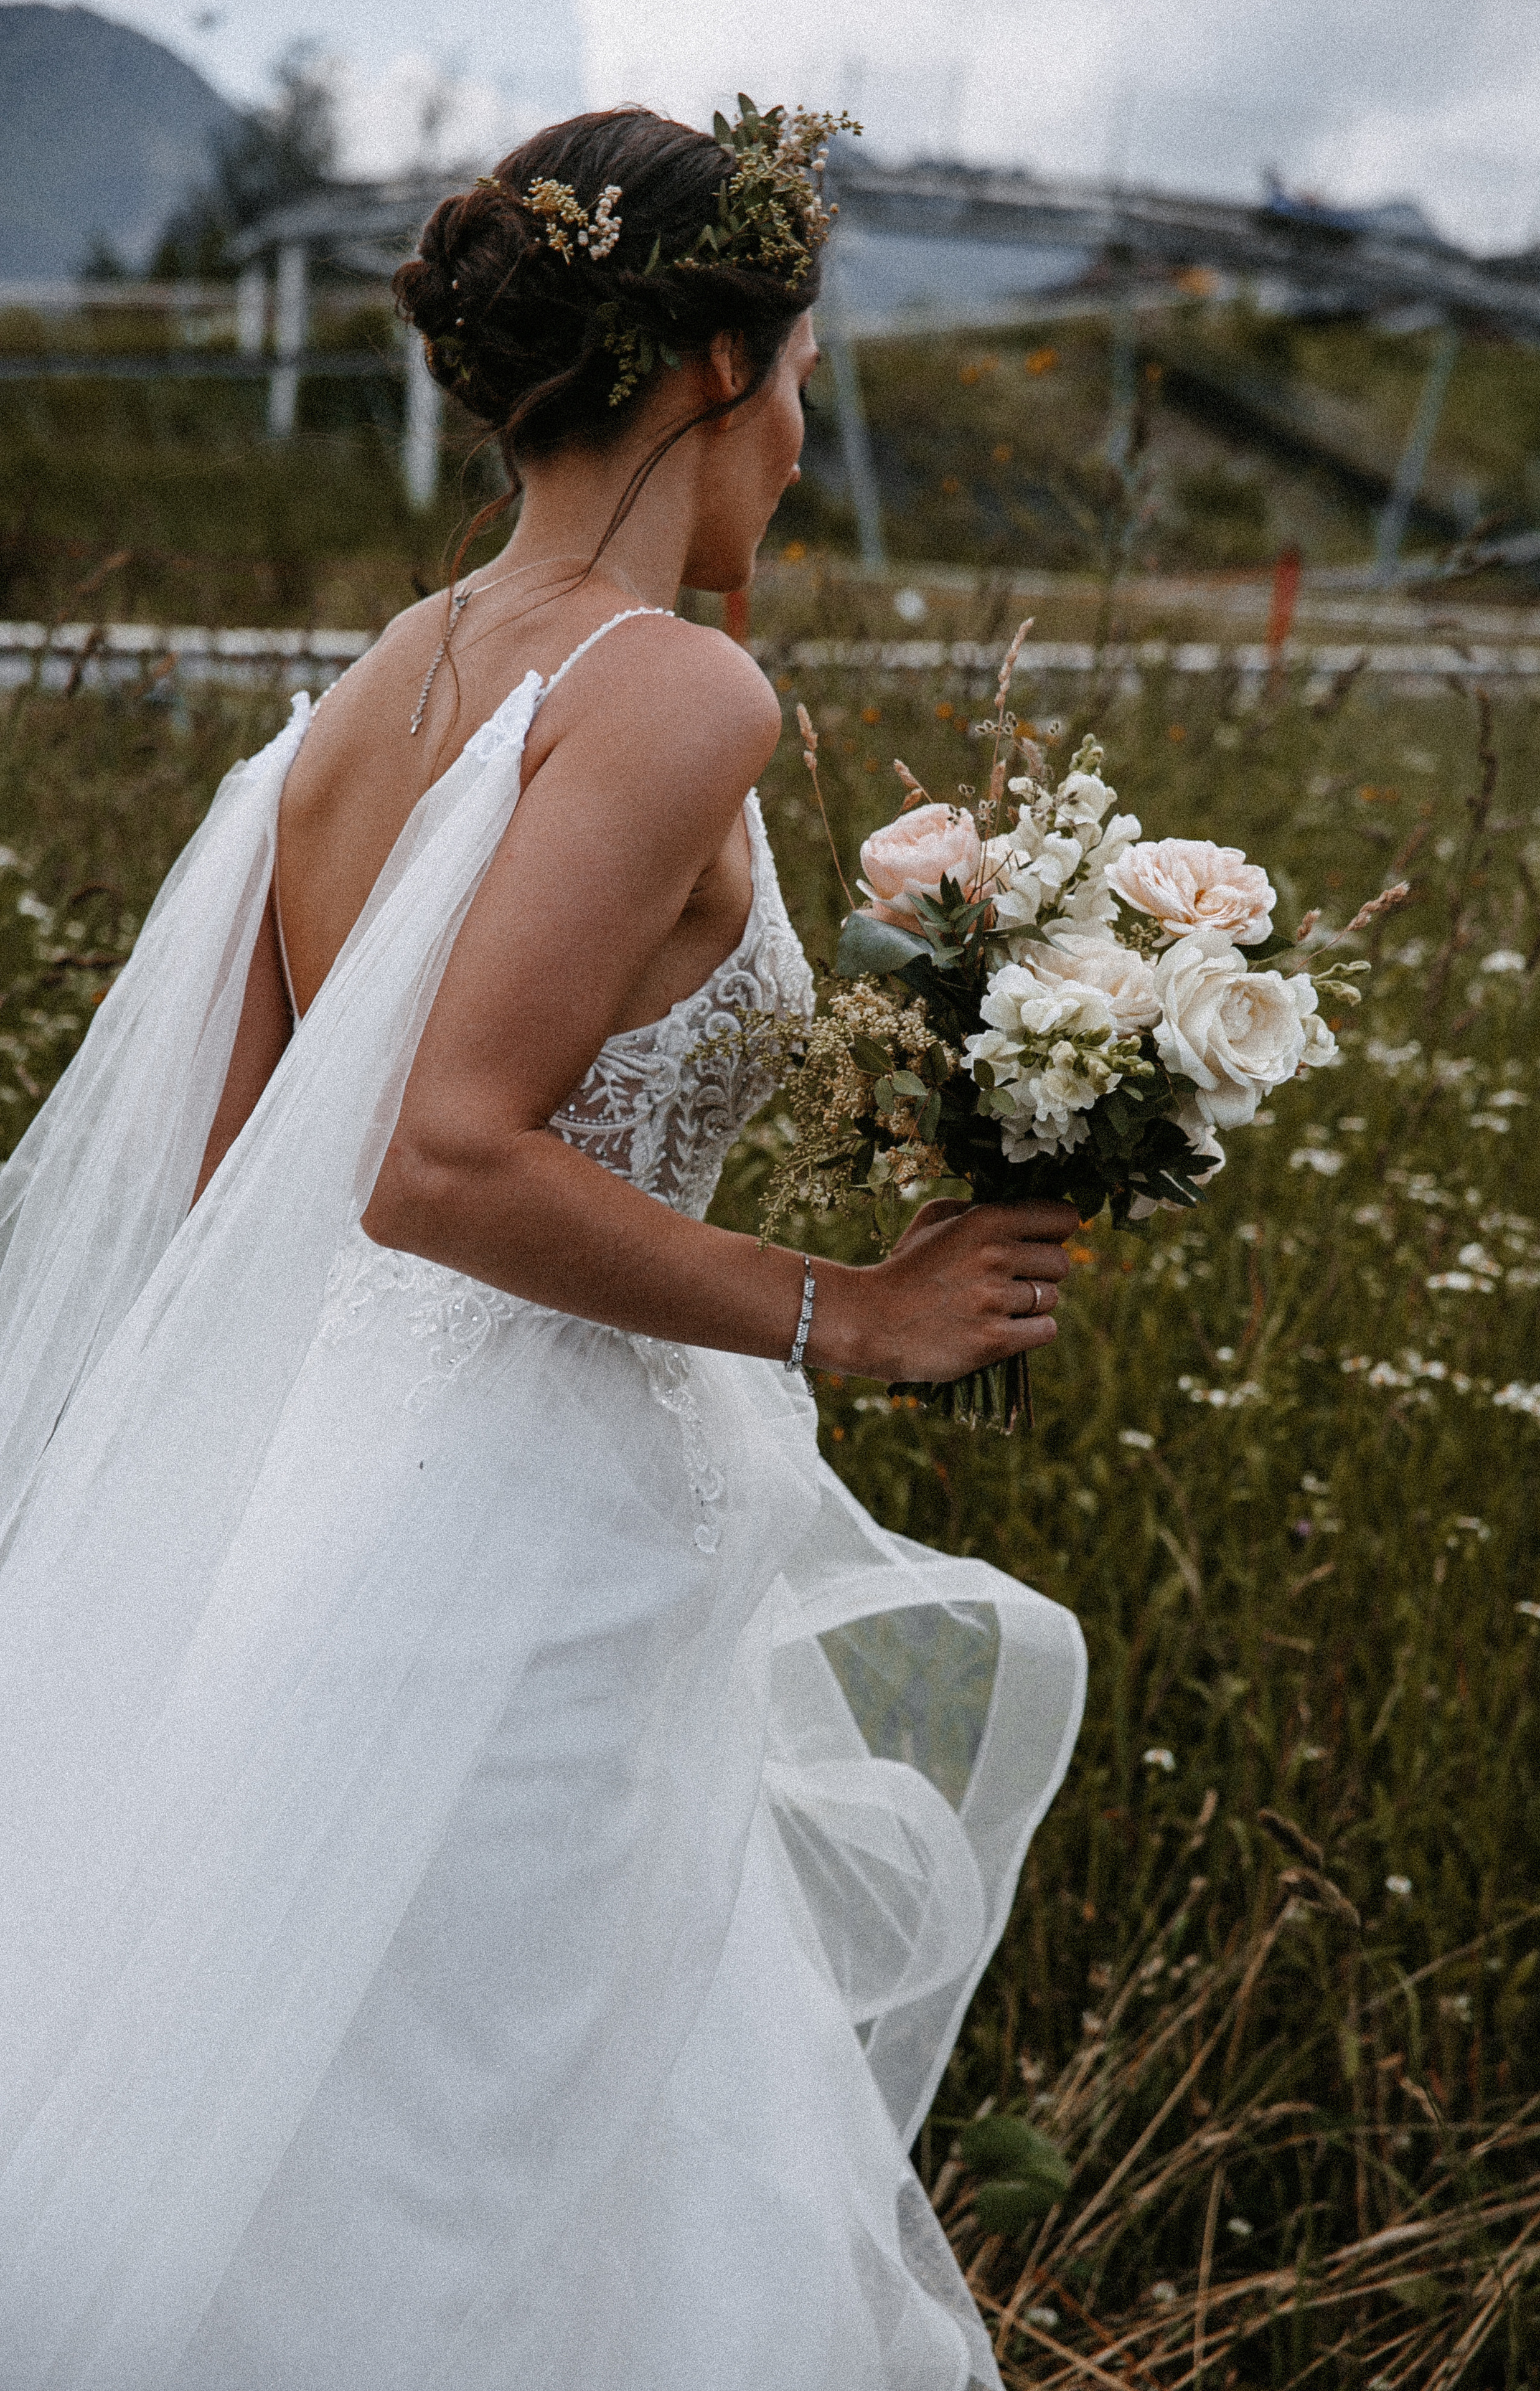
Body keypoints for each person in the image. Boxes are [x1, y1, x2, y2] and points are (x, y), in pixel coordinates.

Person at [0, 105, 1086, 2390]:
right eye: (802, 368)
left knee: (370, 2138)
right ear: (712, 360)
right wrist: (853, 1312)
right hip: (527, 1583)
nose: (803, 433)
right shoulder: (674, 687)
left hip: (338, 1536)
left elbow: (244, 1219)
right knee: (478, 2197)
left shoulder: (354, 709)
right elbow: (447, 1161)